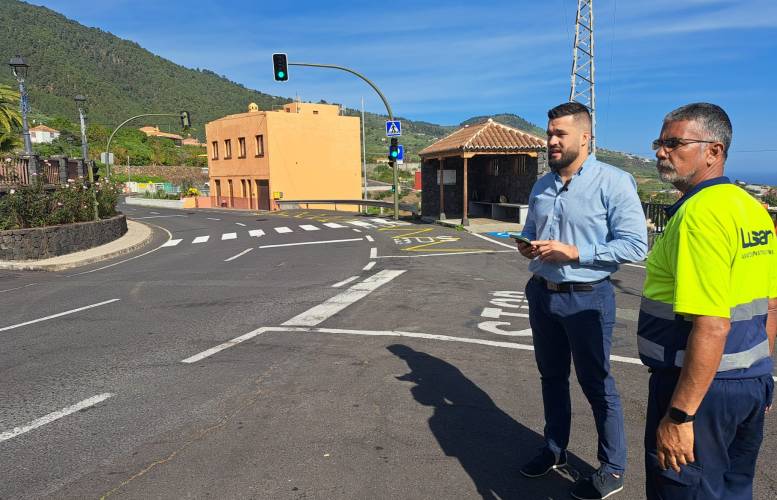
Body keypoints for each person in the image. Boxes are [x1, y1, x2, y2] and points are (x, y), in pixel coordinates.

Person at [637, 102, 776, 499]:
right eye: (659, 143)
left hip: (698, 390)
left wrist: (680, 415)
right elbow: (769, 304)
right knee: (733, 489)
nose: (661, 152)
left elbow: (712, 325)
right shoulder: (752, 209)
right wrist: (760, 377)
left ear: (714, 151)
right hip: (747, 384)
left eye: (674, 143)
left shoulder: (699, 215)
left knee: (685, 490)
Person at [517, 102, 648, 500]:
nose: (551, 141)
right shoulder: (542, 185)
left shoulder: (615, 182)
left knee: (596, 383)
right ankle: (554, 448)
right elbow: (530, 229)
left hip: (588, 298)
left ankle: (613, 468)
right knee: (551, 377)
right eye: (549, 134)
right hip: (543, 293)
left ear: (585, 137)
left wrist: (576, 253)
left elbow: (635, 245)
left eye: (560, 134)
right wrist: (528, 245)